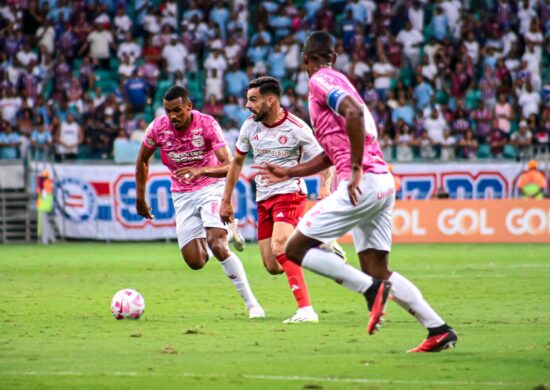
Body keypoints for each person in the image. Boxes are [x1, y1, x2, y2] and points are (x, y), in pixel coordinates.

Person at [255, 31, 457, 351]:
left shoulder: (321, 81)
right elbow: (332, 151)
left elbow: (353, 113)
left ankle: (369, 290)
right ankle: (438, 328)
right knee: (378, 269)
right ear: (333, 57)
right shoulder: (344, 83)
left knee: (293, 250)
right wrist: (290, 171)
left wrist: (356, 169)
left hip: (360, 183)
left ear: (305, 60)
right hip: (380, 184)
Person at [135, 85, 264, 319]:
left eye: (177, 110)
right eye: (168, 111)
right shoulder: (158, 128)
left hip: (210, 188)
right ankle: (223, 231)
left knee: (217, 244)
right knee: (196, 262)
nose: (172, 116)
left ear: (189, 107)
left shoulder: (206, 124)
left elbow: (230, 165)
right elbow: (142, 159)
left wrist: (200, 170)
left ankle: (253, 305)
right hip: (182, 196)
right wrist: (140, 197)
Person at [220, 76, 336, 323]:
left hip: (290, 192)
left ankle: (306, 310)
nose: (247, 106)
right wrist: (226, 200)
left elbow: (326, 160)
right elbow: (236, 163)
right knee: (273, 265)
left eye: (253, 100)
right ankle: (314, 242)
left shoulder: (297, 128)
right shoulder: (249, 127)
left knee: (280, 245)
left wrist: (325, 187)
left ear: (270, 100)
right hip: (264, 198)